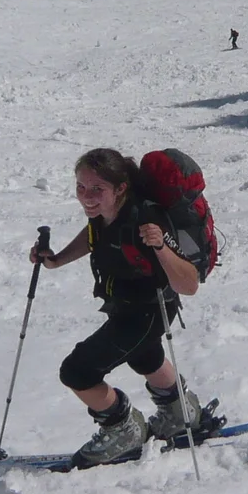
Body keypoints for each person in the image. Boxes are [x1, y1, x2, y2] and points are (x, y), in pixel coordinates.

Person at [31, 149, 206, 466]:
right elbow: (95, 235)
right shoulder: (105, 215)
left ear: (121, 188)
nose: (87, 196)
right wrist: (56, 260)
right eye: (81, 187)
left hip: (147, 312)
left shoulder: (146, 221)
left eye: (97, 188)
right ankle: (182, 413)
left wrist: (161, 247)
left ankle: (122, 429)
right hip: (124, 307)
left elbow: (189, 284)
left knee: (78, 371)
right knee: (145, 356)